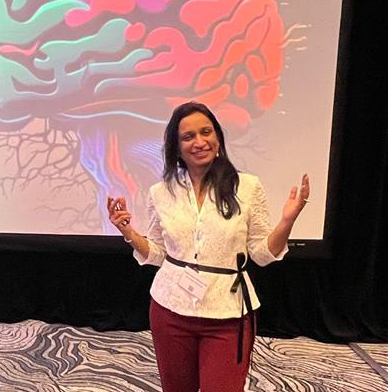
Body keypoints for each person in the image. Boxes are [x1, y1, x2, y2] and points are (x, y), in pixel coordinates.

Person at [107, 101, 309, 392]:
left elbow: (262, 255)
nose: (200, 142)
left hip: (228, 315)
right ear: (176, 147)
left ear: (218, 138)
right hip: (169, 310)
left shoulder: (248, 187)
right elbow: (158, 253)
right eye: (188, 137)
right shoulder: (160, 192)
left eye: (207, 132)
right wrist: (127, 231)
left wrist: (287, 221)